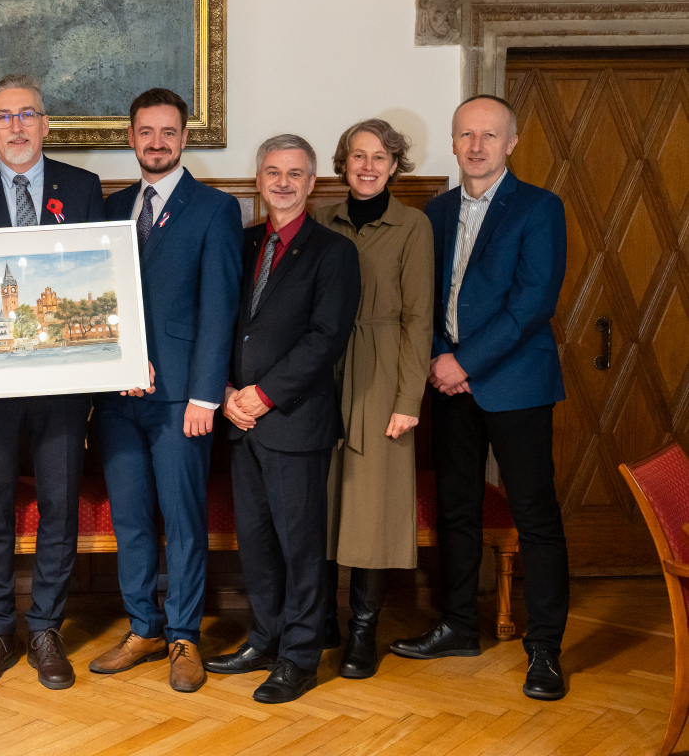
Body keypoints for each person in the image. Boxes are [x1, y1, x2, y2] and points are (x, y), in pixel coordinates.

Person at [391, 94, 569, 702]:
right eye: (466, 134)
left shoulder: (540, 209)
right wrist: (443, 359)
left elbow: (531, 302)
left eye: (489, 135)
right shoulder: (435, 213)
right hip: (449, 384)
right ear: (454, 139)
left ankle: (544, 649)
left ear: (511, 143)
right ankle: (459, 625)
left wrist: (464, 360)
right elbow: (423, 295)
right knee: (457, 509)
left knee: (534, 517)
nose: (476, 146)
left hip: (515, 383)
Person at [0, 73, 107, 690]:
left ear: (45, 124)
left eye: (27, 114)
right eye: (4, 117)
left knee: (59, 506)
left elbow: (104, 272)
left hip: (65, 384)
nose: (16, 126)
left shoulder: (84, 188)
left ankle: (46, 630)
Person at [87, 89, 242, 693]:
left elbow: (219, 310)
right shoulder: (111, 207)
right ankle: (143, 627)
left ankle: (184, 636)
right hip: (117, 399)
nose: (157, 142)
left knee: (182, 519)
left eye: (168, 132)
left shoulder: (214, 209)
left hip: (182, 399)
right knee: (130, 520)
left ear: (185, 138)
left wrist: (206, 396)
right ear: (131, 137)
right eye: (146, 132)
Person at [203, 134, 360, 704]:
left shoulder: (333, 251)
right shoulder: (241, 243)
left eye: (296, 173)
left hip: (293, 422)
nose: (284, 182)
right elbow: (218, 320)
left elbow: (325, 339)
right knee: (256, 542)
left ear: (312, 182)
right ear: (259, 178)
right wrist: (222, 392)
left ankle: (299, 656)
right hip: (238, 421)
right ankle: (264, 638)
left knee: (299, 546)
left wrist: (262, 396)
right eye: (273, 171)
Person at [311, 119, 434, 678]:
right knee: (325, 499)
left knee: (372, 505)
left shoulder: (413, 226)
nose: (367, 166)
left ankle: (364, 628)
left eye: (379, 157)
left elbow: (418, 318)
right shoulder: (320, 219)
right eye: (357, 156)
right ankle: (325, 621)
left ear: (394, 165)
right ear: (344, 162)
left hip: (383, 373)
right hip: (323, 370)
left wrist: (408, 398)